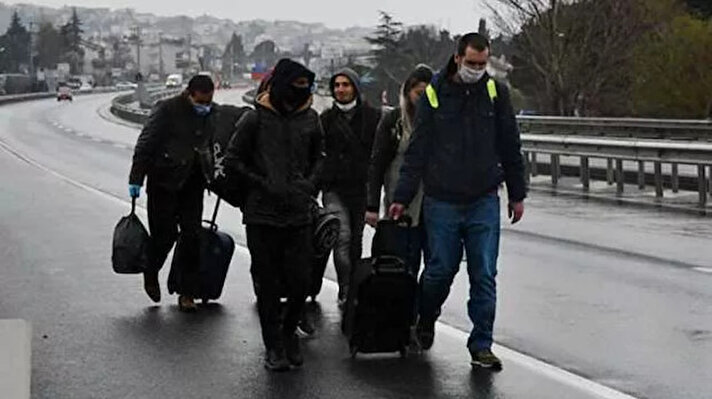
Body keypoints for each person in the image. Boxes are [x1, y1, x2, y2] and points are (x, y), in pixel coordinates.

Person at [389, 33, 527, 371]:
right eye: (472, 64)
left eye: (483, 64)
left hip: (483, 198)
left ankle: (481, 344)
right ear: (457, 58)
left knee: (484, 274)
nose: (477, 70)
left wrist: (517, 192)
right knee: (440, 269)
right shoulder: (434, 95)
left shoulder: (496, 93)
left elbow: (510, 143)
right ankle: (426, 315)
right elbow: (418, 150)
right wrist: (402, 198)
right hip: (442, 199)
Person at [225, 58, 324, 372]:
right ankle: (274, 346)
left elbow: (320, 157)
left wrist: (309, 185)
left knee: (300, 283)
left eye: (305, 88)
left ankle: (287, 331)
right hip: (262, 215)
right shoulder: (255, 120)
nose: (300, 94)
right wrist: (262, 184)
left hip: (298, 213)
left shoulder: (311, 120)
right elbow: (232, 159)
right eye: (294, 87)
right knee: (267, 284)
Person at [128, 75, 216, 312]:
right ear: (190, 94)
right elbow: (145, 144)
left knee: (192, 237)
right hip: (163, 183)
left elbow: (211, 146)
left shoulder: (209, 114)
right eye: (201, 101)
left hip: (193, 184)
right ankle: (151, 269)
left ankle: (187, 293)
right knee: (164, 236)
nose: (205, 106)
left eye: (208, 101)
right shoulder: (167, 110)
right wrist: (136, 179)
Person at [320, 68, 381, 308]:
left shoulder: (373, 118)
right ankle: (346, 287)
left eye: (345, 85)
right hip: (333, 188)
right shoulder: (325, 120)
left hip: (361, 188)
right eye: (337, 85)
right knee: (341, 237)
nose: (341, 90)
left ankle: (354, 287)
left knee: (356, 240)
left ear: (355, 87)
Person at [366, 64, 434, 276]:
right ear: (408, 92)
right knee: (404, 261)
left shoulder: (441, 121)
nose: (422, 99)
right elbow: (377, 164)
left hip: (435, 200)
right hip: (401, 202)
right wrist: (372, 205)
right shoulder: (394, 121)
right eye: (418, 93)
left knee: (437, 263)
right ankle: (406, 304)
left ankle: (427, 304)